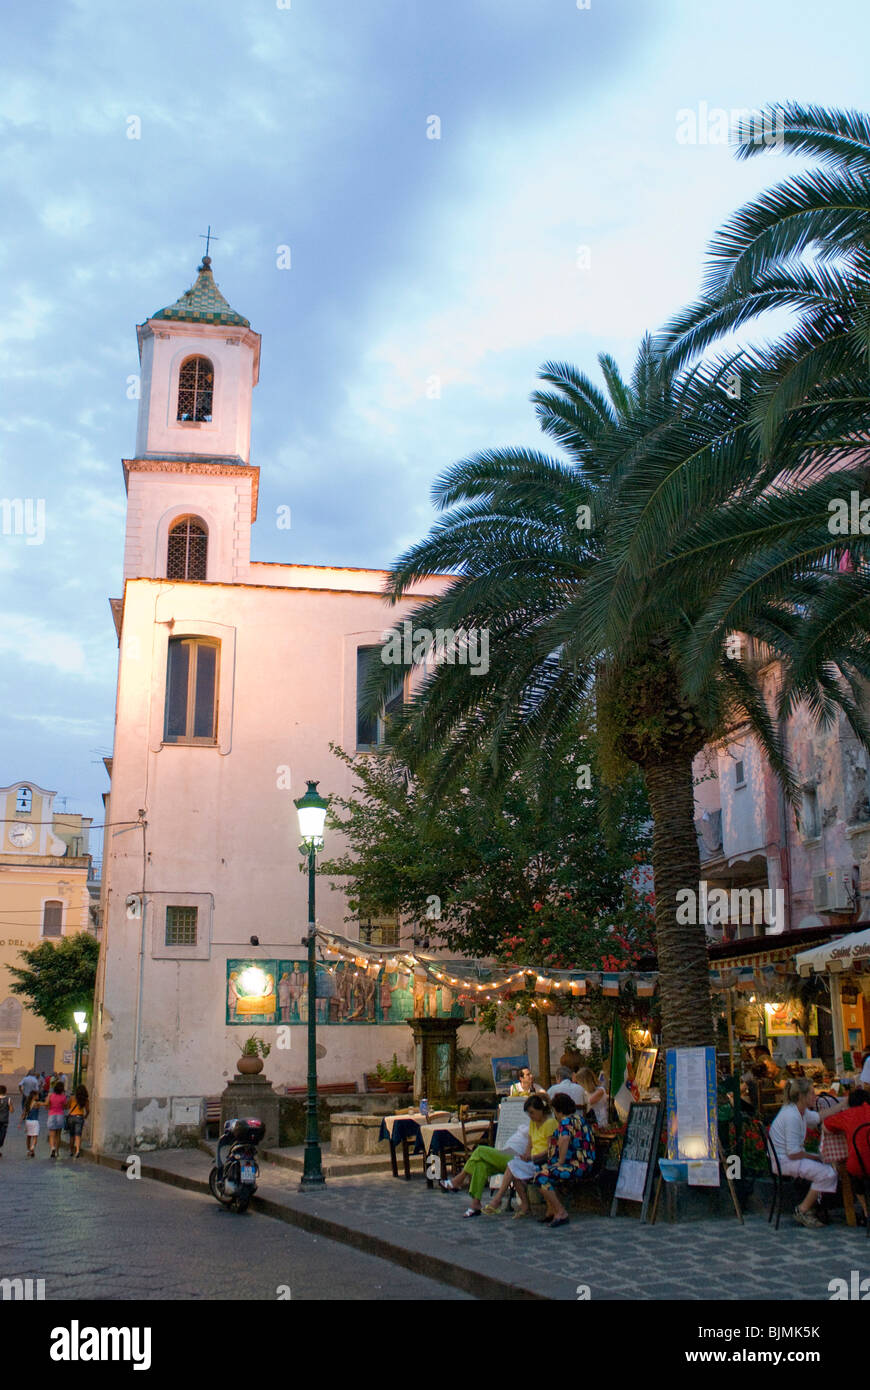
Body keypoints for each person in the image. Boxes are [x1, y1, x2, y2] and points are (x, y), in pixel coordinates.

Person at [768, 1077, 844, 1229]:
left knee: (825, 1167)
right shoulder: (792, 1116)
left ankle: (814, 1207)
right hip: (784, 1161)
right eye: (811, 1093)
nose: (815, 1096)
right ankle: (803, 1209)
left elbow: (819, 1117)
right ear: (802, 1096)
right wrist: (816, 1157)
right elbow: (793, 1153)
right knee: (828, 1173)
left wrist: (842, 1104)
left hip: (787, 1158)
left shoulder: (798, 1111)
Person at [485, 1095, 557, 1217]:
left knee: (513, 1167)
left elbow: (550, 1149)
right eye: (529, 1113)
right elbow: (530, 1143)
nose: (531, 1116)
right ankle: (511, 1202)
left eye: (532, 1113)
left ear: (541, 1110)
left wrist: (531, 1157)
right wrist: (526, 1155)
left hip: (544, 1160)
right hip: (533, 1159)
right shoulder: (533, 1123)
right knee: (514, 1165)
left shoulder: (550, 1123)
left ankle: (500, 1199)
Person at [531, 1093, 596, 1228]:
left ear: (558, 1110)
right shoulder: (579, 1119)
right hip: (584, 1163)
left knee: (542, 1177)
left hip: (576, 1165)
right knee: (540, 1171)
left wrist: (560, 1161)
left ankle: (560, 1212)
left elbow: (564, 1139)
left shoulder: (566, 1122)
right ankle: (551, 1210)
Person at [822, 1087, 870, 1221]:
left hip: (859, 1165)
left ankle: (866, 1211)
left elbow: (825, 1127)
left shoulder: (848, 1114)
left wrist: (847, 1130)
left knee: (855, 1175)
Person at [66, 1085, 90, 1158]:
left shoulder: (72, 1098)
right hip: (79, 1117)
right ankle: (77, 1151)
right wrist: (85, 1116)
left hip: (71, 1117)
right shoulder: (85, 1100)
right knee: (78, 1135)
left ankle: (71, 1151)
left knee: (71, 1135)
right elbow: (88, 1110)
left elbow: (67, 1106)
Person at [45, 1081, 67, 1159]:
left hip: (52, 1115)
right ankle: (57, 1151)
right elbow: (65, 1106)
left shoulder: (51, 1095)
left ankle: (52, 1149)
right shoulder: (63, 1097)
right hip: (60, 1115)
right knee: (58, 1135)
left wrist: (48, 1097)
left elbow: (46, 1105)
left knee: (52, 1135)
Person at [19, 1091, 45, 1157]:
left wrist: (20, 1123)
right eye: (37, 1095)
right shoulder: (37, 1103)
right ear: (34, 1096)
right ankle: (32, 1147)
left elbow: (23, 1114)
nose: (38, 1096)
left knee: (28, 1137)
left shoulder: (27, 1103)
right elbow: (46, 1104)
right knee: (35, 1137)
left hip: (28, 1121)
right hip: (34, 1121)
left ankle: (28, 1150)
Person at [0, 1086, 11, 1157]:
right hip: (4, 1120)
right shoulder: (8, 1099)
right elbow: (12, 1110)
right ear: (5, 1091)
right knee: (2, 1135)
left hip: (3, 1120)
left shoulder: (8, 1099)